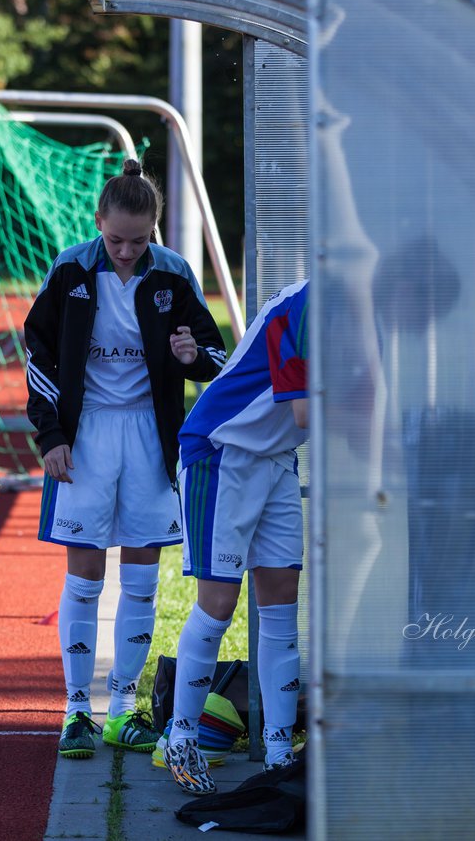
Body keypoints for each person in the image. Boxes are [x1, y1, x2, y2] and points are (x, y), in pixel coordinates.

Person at [24, 158, 227, 760]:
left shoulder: (173, 272)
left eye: (140, 240)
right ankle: (76, 711)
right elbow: (36, 353)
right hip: (84, 435)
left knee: (141, 579)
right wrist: (51, 435)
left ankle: (123, 707)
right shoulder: (70, 268)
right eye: (116, 239)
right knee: (84, 576)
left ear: (155, 230)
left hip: (149, 437)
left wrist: (192, 356)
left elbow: (218, 360)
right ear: (98, 224)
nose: (127, 251)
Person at [162, 277, 309, 795]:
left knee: (281, 604)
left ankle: (276, 752)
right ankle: (181, 738)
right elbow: (309, 412)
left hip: (276, 457)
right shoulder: (308, 307)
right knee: (219, 602)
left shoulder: (364, 311)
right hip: (223, 452)